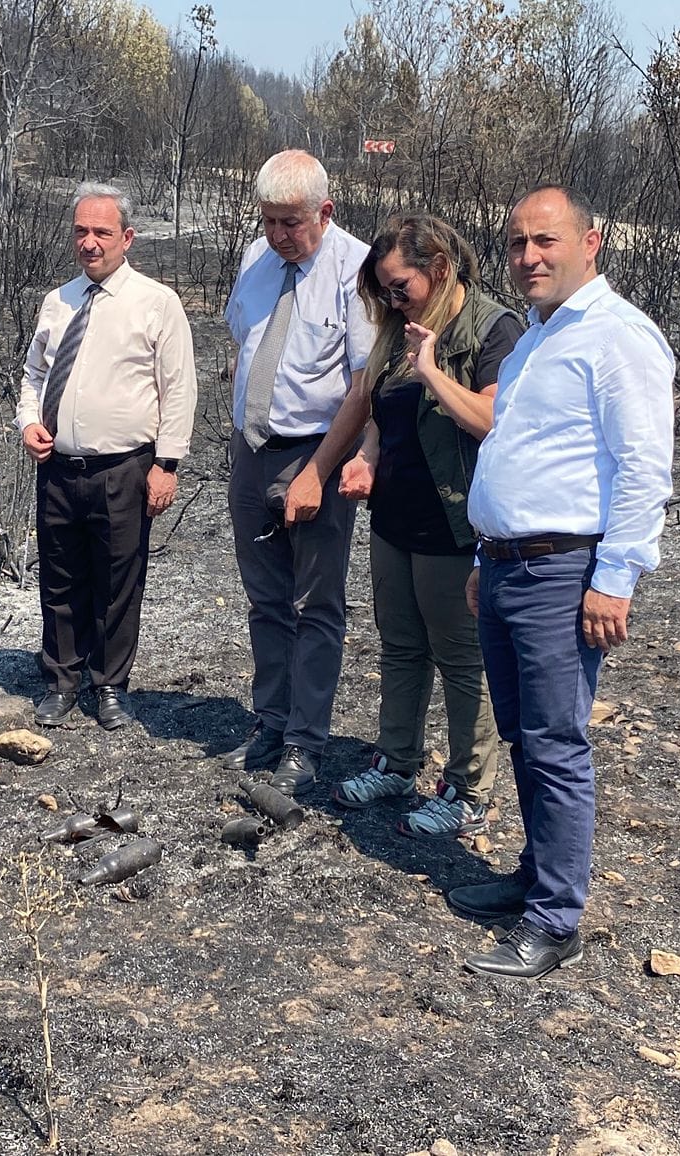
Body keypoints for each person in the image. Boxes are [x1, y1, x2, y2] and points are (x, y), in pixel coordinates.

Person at [446, 186, 675, 980]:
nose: (529, 258)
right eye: (516, 244)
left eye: (545, 241)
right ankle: (534, 878)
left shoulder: (617, 338)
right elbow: (516, 451)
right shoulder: (535, 338)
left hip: (562, 569)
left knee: (556, 743)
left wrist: (616, 578)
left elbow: (645, 466)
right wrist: (483, 560)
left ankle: (555, 920)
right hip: (508, 566)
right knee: (522, 735)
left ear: (592, 242)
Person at [310, 215, 517, 839]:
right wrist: (365, 458)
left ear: (440, 269)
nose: (392, 301)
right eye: (384, 291)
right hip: (395, 516)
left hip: (456, 521)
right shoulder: (395, 329)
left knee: (461, 658)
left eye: (400, 287)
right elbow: (380, 409)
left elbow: (491, 420)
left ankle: (468, 788)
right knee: (400, 648)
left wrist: (431, 369)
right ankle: (397, 762)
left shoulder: (492, 326)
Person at [16, 182, 196, 729]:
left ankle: (111, 684)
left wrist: (167, 465)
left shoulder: (156, 302)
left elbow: (179, 386)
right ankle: (62, 680)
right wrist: (29, 421)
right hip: (58, 468)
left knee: (119, 580)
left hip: (124, 469)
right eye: (81, 231)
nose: (90, 243)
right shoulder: (58, 300)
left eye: (102, 232)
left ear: (127, 237)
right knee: (61, 577)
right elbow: (34, 374)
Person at [220, 149, 374, 790]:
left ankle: (305, 745)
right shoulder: (257, 261)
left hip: (318, 452)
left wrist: (323, 468)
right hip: (252, 450)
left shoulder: (357, 269)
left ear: (325, 212)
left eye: (292, 223)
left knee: (315, 604)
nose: (279, 236)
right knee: (266, 600)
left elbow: (366, 383)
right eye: (269, 221)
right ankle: (271, 720)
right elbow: (246, 341)